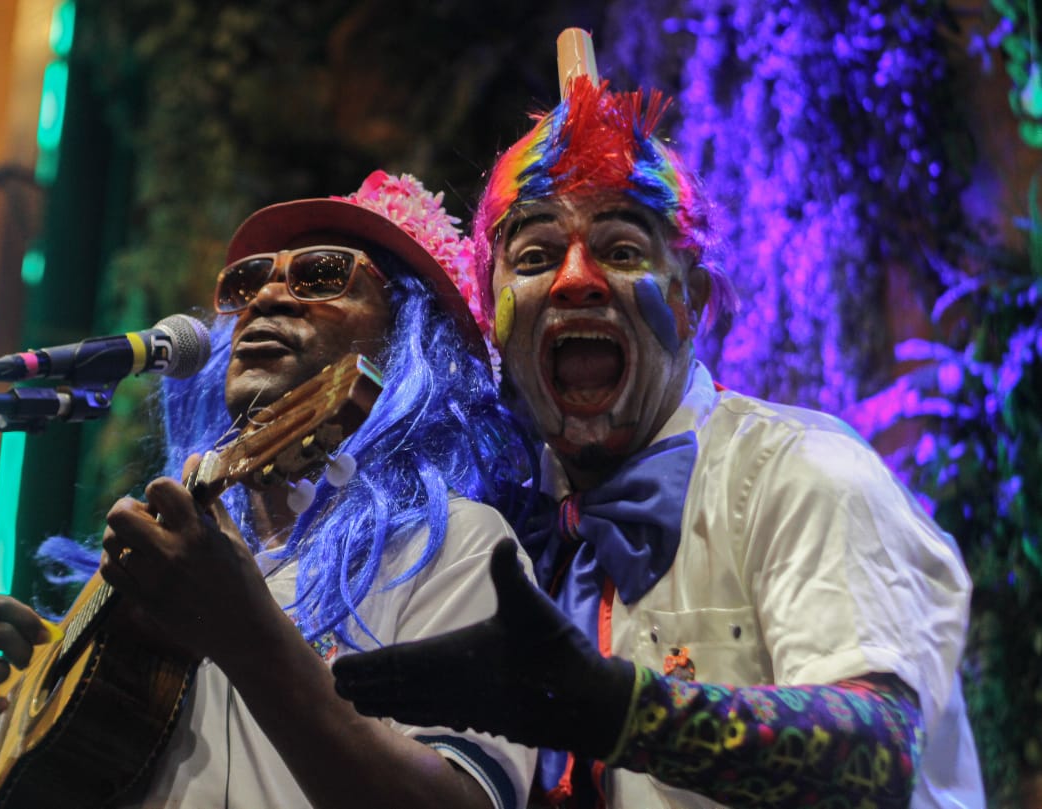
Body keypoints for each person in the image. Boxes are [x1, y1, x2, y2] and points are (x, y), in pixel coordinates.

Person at [333, 77, 984, 809]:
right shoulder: (498, 531)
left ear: (693, 301)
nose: (576, 280)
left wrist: (623, 712)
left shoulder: (804, 472)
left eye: (619, 249)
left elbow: (878, 755)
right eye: (538, 255)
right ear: (495, 318)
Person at [0, 170, 538, 809]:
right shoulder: (146, 590)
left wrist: (247, 637)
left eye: (322, 274)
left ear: (405, 343)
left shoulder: (454, 544)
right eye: (248, 282)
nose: (265, 299)